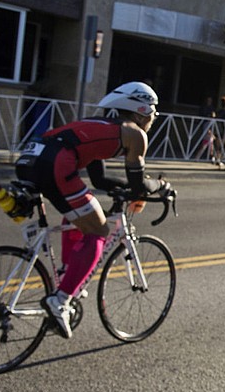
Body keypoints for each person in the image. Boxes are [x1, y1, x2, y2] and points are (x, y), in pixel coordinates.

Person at [14, 81, 171, 339]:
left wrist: (127, 190)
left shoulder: (100, 126)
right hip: (56, 163)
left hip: (32, 158)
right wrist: (162, 186)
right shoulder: (135, 134)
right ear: (142, 110)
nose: (153, 118)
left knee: (80, 212)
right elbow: (138, 183)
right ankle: (61, 301)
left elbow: (99, 181)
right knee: (99, 228)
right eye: (153, 112)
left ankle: (67, 272)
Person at [213, 95, 225, 166]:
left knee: (218, 146)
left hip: (217, 129)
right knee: (224, 145)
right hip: (224, 131)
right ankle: (220, 159)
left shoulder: (219, 112)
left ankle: (216, 158)